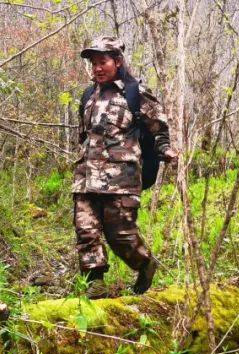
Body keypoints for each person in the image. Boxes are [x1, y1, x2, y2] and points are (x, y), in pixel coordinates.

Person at [72, 36, 175, 299]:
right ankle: (94, 281)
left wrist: (164, 150)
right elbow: (83, 135)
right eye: (93, 63)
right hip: (86, 176)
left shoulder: (134, 93)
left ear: (117, 61)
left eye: (102, 61)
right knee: (86, 231)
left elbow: (159, 128)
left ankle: (144, 263)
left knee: (120, 235)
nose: (97, 68)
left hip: (121, 179)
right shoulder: (87, 95)